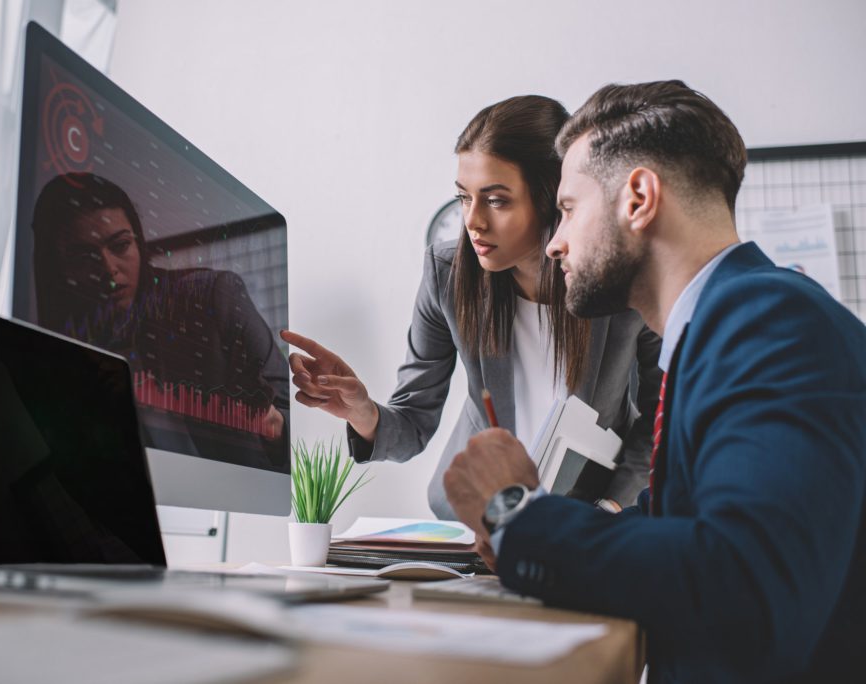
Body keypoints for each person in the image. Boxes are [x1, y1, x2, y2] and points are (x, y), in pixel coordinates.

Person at [442, 80, 866, 683]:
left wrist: (517, 512)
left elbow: (742, 584)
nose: (556, 242)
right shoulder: (723, 327)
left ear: (638, 197)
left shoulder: (769, 323)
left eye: (567, 209)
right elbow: (684, 527)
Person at [283, 95, 662, 518]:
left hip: (593, 517)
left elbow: (662, 414)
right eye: (464, 197)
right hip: (476, 521)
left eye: (496, 200)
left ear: (552, 197)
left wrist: (611, 508)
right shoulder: (446, 274)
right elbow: (413, 422)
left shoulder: (622, 277)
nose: (473, 220)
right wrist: (364, 412)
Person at [31, 172, 289, 468]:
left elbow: (289, 410)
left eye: (120, 246)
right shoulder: (63, 353)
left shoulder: (211, 297)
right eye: (83, 257)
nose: (108, 269)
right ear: (60, 268)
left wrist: (273, 423)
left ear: (139, 244)